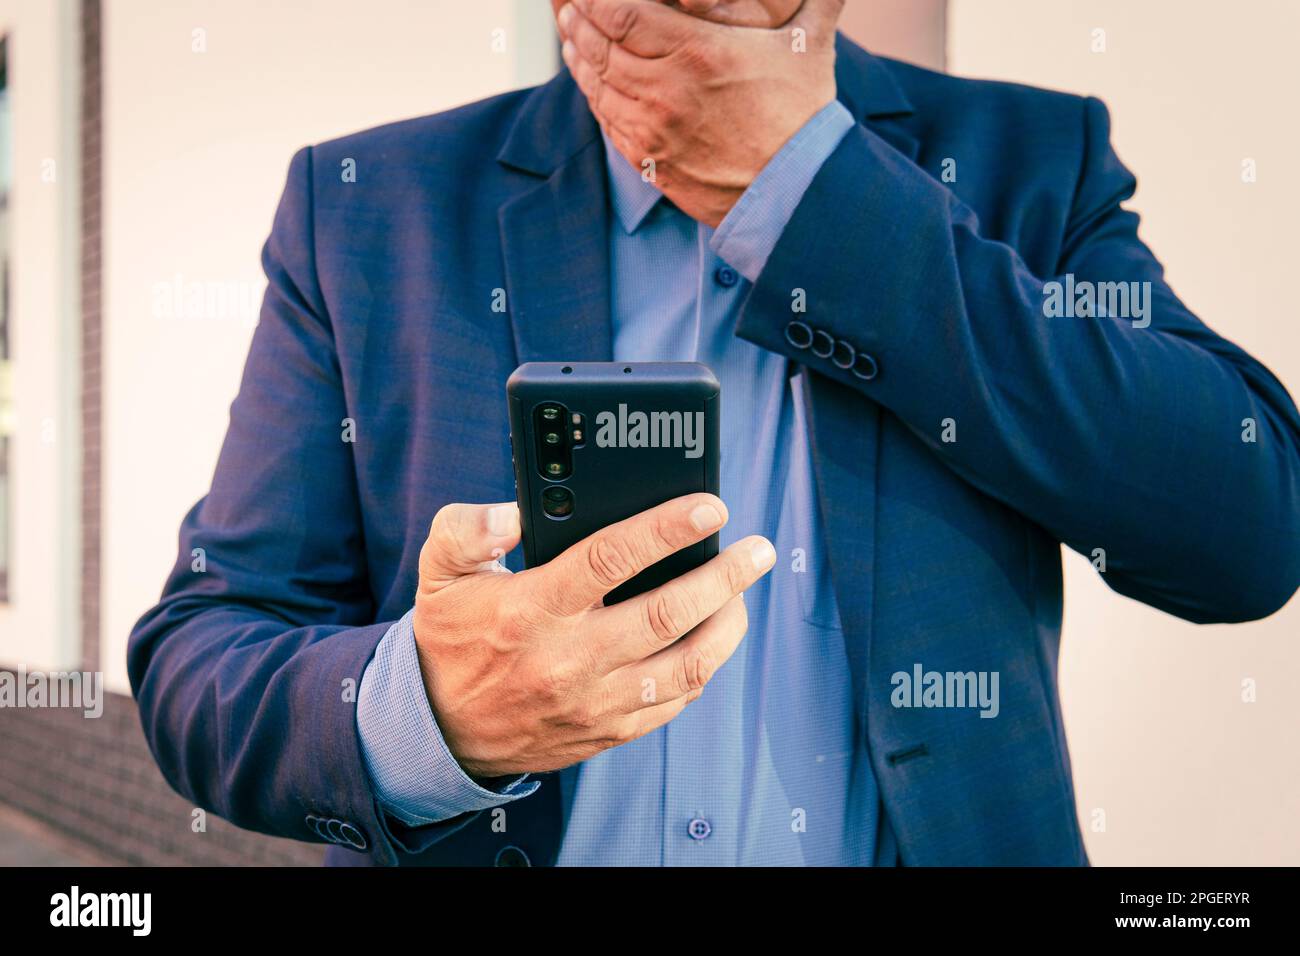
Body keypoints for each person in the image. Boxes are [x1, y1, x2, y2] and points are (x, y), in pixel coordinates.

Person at [129, 0, 1300, 866]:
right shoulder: (366, 204)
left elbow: (1247, 530)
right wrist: (425, 709)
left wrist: (817, 191)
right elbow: (201, 656)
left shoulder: (1026, 163)